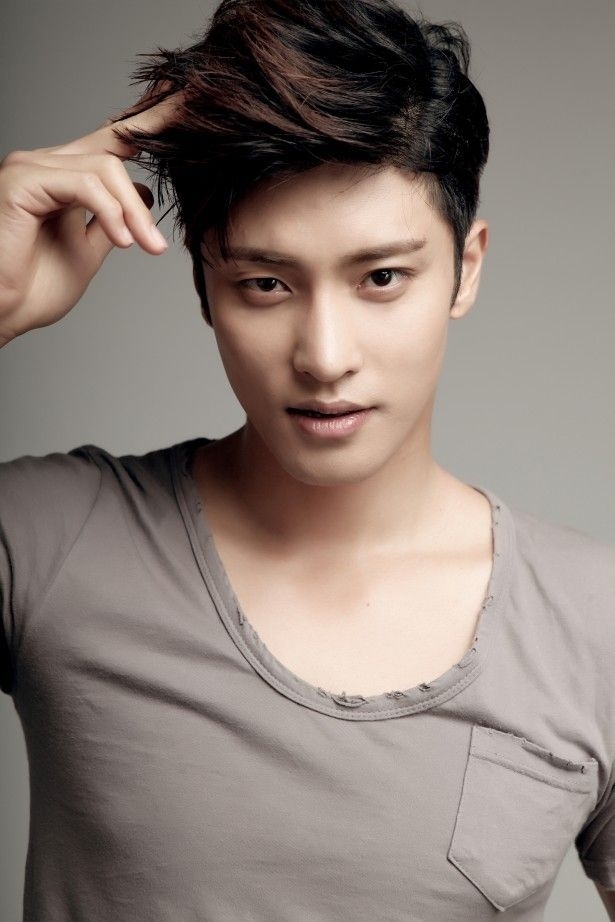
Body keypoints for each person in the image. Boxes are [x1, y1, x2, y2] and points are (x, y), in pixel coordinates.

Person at [0, 0, 614, 919]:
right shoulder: (48, 540)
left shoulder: (596, 624)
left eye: (381, 278)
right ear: (203, 283)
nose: (324, 356)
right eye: (265, 284)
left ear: (467, 266)